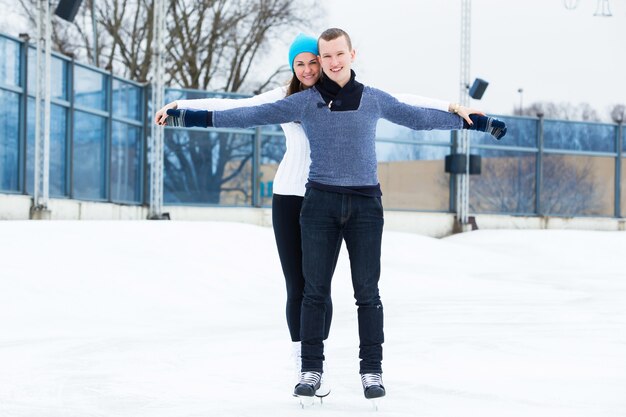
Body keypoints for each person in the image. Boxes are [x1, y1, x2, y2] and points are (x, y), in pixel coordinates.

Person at [162, 29, 506, 402]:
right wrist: (185, 115)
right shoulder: (302, 101)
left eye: (334, 55)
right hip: (318, 202)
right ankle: (310, 369)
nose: (328, 62)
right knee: (312, 291)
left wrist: (471, 119)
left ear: (351, 54)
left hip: (365, 206)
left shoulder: (372, 99)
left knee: (367, 292)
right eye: (321, 58)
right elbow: (246, 113)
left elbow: (415, 114)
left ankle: (371, 371)